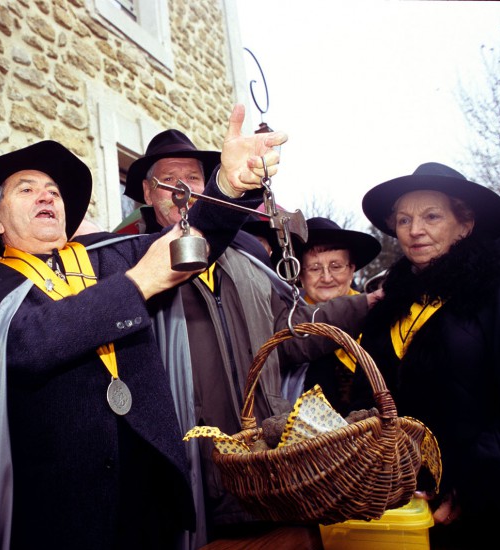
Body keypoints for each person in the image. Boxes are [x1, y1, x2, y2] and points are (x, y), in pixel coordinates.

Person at [0, 104, 286, 550]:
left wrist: (227, 186)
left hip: (150, 492)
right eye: (26, 190)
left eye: (53, 191)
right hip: (59, 511)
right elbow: (28, 342)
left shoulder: (107, 255)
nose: (47, 196)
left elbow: (189, 240)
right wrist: (137, 284)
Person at [119, 129, 382, 546]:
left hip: (263, 461)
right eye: (169, 179)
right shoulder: (132, 267)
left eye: (192, 176)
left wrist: (364, 304)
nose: (182, 188)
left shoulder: (249, 261)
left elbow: (292, 335)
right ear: (149, 195)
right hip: (188, 463)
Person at [353, 162, 500, 548]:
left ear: (465, 224)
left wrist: (469, 483)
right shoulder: (389, 305)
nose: (414, 230)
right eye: (404, 220)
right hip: (399, 505)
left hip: (480, 501)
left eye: (431, 216)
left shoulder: (493, 292)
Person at [296, 217, 381, 412]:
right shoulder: (290, 327)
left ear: (352, 270)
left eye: (336, 266)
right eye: (315, 268)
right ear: (301, 276)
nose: (326, 278)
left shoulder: (380, 321)